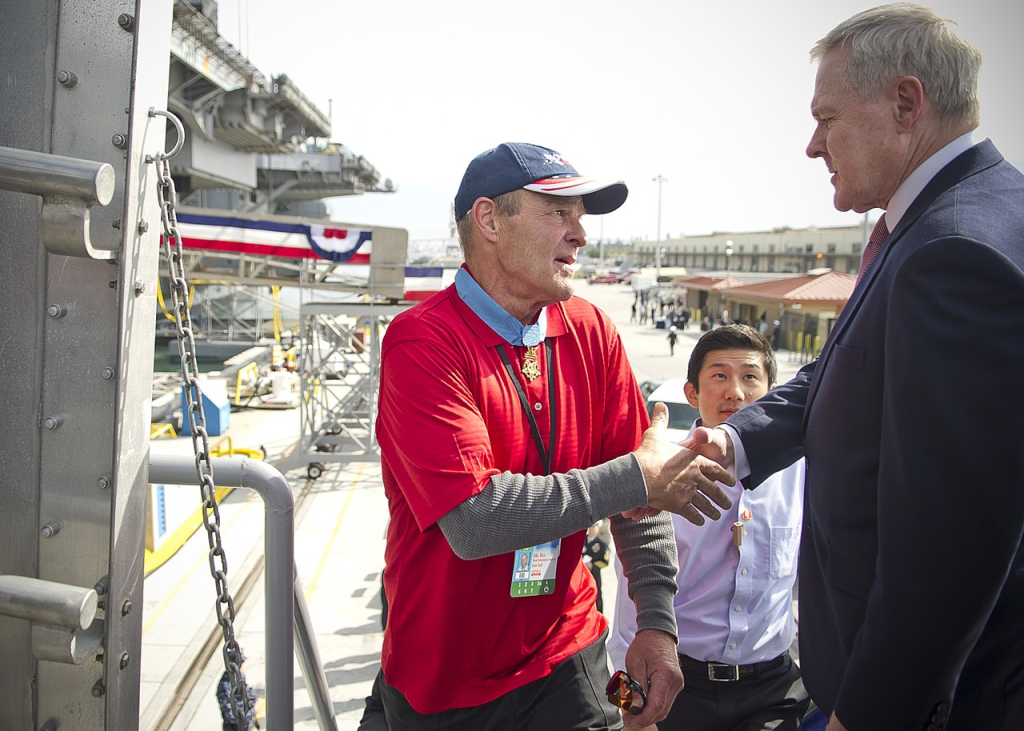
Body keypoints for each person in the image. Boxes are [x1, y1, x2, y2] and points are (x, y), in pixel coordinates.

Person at [687, 6, 1024, 730]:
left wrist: (868, 713)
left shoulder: (952, 252)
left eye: (827, 116)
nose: (813, 145)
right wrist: (736, 439)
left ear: (905, 104)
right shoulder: (945, 221)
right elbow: (848, 370)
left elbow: (948, 546)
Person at [375, 142, 735, 731]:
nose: (581, 235)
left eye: (581, 217)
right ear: (489, 220)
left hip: (571, 650)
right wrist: (635, 478)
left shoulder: (591, 329)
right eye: (559, 213)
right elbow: (474, 521)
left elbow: (641, 498)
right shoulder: (422, 343)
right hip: (445, 684)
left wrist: (657, 625)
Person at [610, 324, 809, 730]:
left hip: (773, 691)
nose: (735, 391)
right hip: (677, 688)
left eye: (750, 377)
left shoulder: (803, 474)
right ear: (692, 394)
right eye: (719, 376)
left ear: (773, 391)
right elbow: (626, 622)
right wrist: (632, 711)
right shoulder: (660, 479)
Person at [216, 646, 259, 731]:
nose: (241, 666)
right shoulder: (225, 686)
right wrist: (252, 711)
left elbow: (250, 694)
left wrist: (253, 704)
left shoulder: (241, 677)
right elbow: (232, 716)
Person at [582, 521, 611, 613]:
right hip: (582, 574)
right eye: (591, 527)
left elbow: (605, 561)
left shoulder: (601, 544)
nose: (592, 529)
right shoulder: (583, 541)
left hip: (594, 574)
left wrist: (593, 566)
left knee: (596, 595)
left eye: (595, 527)